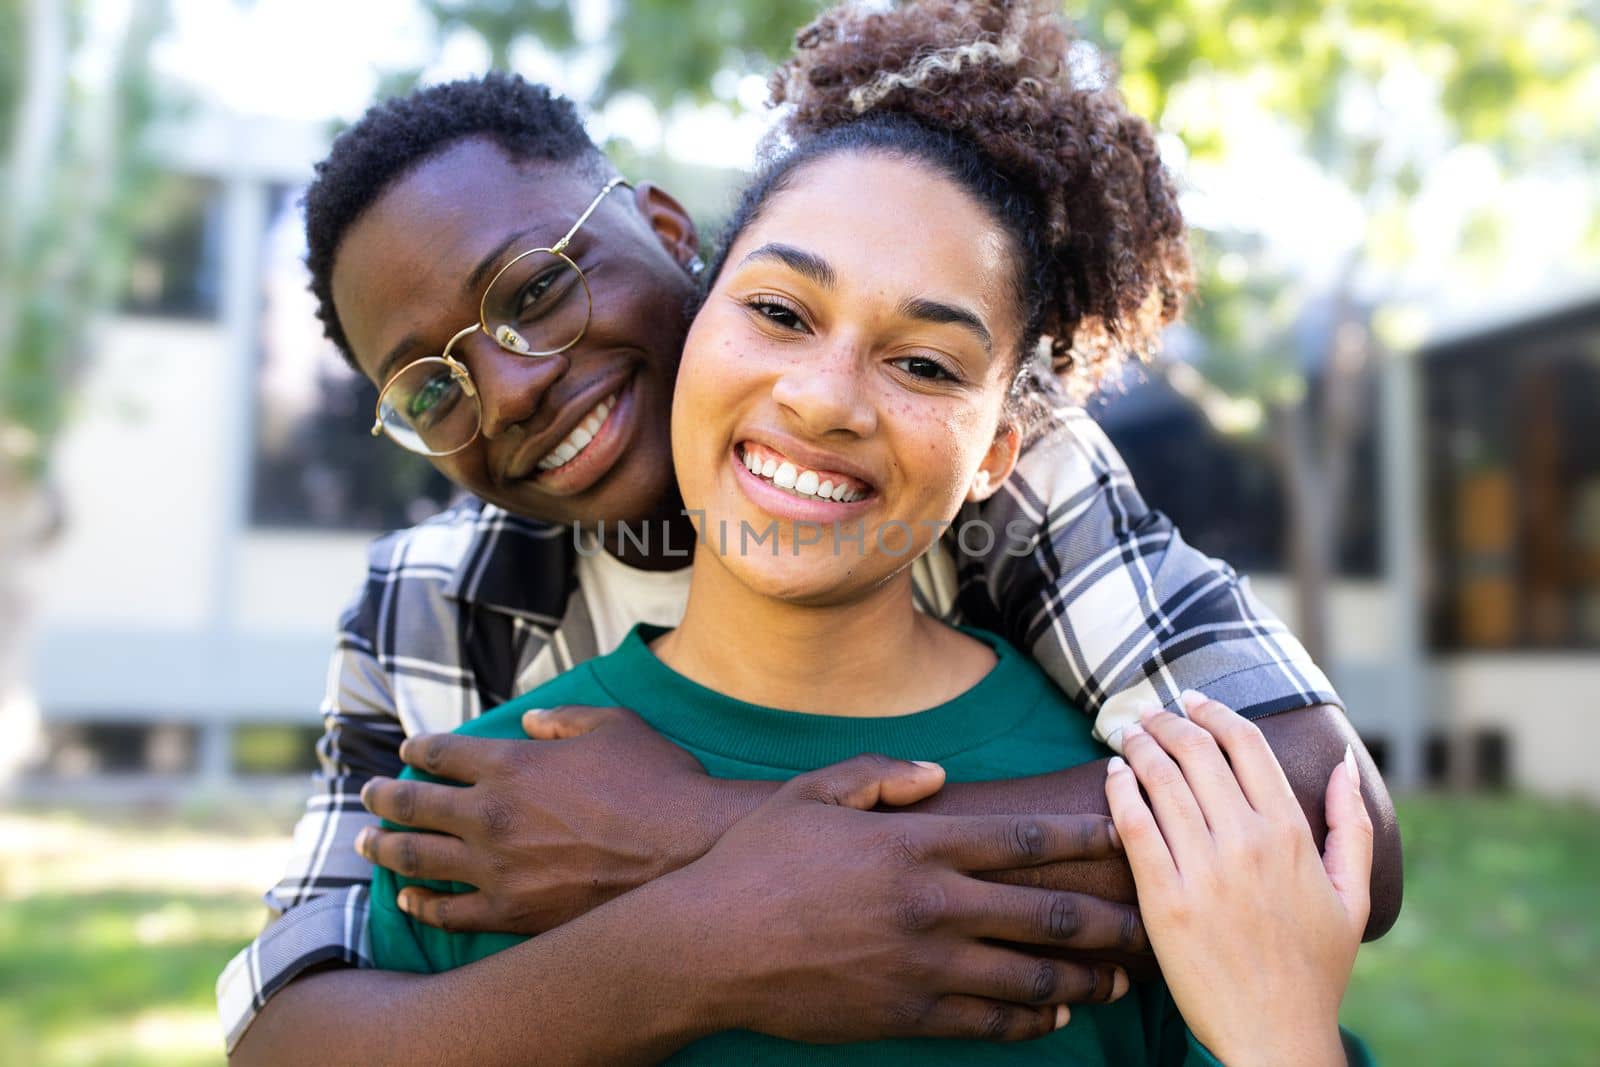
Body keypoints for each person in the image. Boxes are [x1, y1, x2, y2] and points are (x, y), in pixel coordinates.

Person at [220, 3, 1400, 1060]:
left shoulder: (998, 471)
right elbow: (296, 1014)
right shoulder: (431, 597)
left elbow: (1325, 816)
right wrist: (698, 937)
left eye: (533, 290)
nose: (513, 387)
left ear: (671, 230)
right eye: (434, 388)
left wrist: (702, 833)